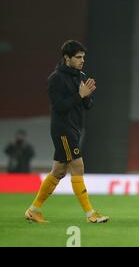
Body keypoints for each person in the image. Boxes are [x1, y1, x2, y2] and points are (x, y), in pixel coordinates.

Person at [25, 40, 109, 223]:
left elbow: (88, 105)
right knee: (78, 167)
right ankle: (90, 214)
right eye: (78, 57)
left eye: (83, 57)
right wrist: (80, 95)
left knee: (59, 171)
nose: (82, 60)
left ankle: (33, 210)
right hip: (63, 129)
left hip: (76, 128)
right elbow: (59, 107)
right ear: (66, 58)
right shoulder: (56, 78)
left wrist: (86, 96)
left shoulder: (80, 76)